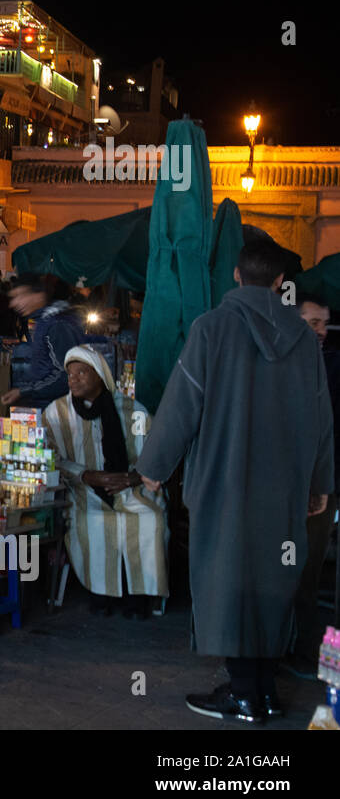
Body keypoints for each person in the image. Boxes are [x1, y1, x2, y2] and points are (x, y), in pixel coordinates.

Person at [136, 241, 334, 724]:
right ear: (279, 283)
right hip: (285, 488)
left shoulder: (212, 329)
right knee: (273, 581)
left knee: (226, 580)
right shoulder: (305, 340)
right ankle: (263, 690)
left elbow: (183, 405)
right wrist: (319, 482)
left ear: (236, 277)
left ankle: (244, 693)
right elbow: (321, 418)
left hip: (224, 484)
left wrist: (154, 466)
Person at [43, 346, 168, 618]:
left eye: (82, 372)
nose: (73, 379)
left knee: (149, 518)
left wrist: (131, 477)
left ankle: (139, 597)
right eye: (70, 374)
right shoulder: (56, 413)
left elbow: (155, 454)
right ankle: (100, 595)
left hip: (130, 488)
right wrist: (87, 475)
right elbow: (49, 459)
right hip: (83, 490)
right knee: (94, 523)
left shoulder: (133, 410)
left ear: (100, 376)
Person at [287, 293, 339, 677]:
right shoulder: (279, 367)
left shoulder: (332, 366)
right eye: (312, 323)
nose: (321, 331)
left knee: (307, 573)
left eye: (324, 323)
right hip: (282, 490)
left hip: (321, 489)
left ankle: (303, 650)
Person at [1, 272, 85, 409]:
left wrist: (24, 391)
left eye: (20, 296)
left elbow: (65, 375)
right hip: (44, 406)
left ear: (38, 295)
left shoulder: (57, 324)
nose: (14, 303)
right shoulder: (44, 321)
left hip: (55, 410)